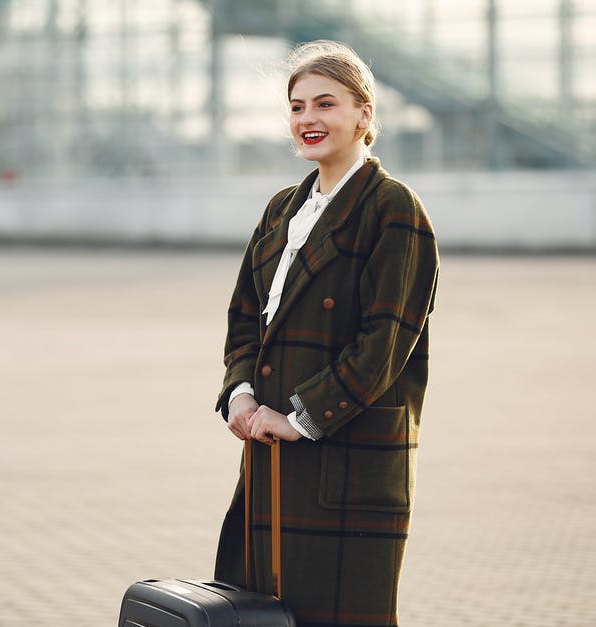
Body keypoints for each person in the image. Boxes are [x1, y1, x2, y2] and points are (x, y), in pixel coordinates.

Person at [213, 41, 439, 627]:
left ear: (364, 114)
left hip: (346, 460)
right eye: (296, 107)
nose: (307, 119)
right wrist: (239, 394)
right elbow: (245, 317)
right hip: (270, 459)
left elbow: (385, 340)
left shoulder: (394, 209)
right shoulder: (281, 210)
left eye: (325, 104)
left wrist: (300, 416)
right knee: (263, 614)